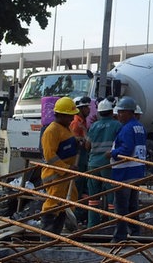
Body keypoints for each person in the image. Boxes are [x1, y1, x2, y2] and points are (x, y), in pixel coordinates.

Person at [39, 96, 80, 241]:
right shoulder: (52, 130)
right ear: (61, 115)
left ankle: (55, 238)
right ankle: (46, 239)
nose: (71, 119)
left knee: (64, 206)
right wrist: (66, 168)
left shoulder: (64, 129)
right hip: (56, 176)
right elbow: (50, 156)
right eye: (69, 116)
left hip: (66, 176)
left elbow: (66, 144)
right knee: (52, 205)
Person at [109, 96, 147, 242]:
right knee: (133, 205)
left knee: (121, 207)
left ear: (129, 112)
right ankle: (135, 232)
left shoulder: (127, 129)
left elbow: (125, 150)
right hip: (136, 171)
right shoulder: (140, 127)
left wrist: (111, 153)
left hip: (124, 173)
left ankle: (120, 236)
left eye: (121, 112)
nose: (118, 115)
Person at [85, 98, 121, 228]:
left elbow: (87, 146)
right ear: (112, 112)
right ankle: (112, 224)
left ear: (99, 113)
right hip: (108, 164)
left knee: (93, 197)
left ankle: (92, 225)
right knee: (111, 194)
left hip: (93, 163)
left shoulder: (94, 126)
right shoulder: (117, 125)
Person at [70, 96, 91, 225]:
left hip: (83, 159)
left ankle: (81, 214)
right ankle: (75, 215)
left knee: (83, 188)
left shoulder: (82, 122)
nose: (89, 109)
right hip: (78, 159)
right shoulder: (76, 123)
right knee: (77, 187)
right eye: (86, 107)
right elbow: (74, 141)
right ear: (80, 108)